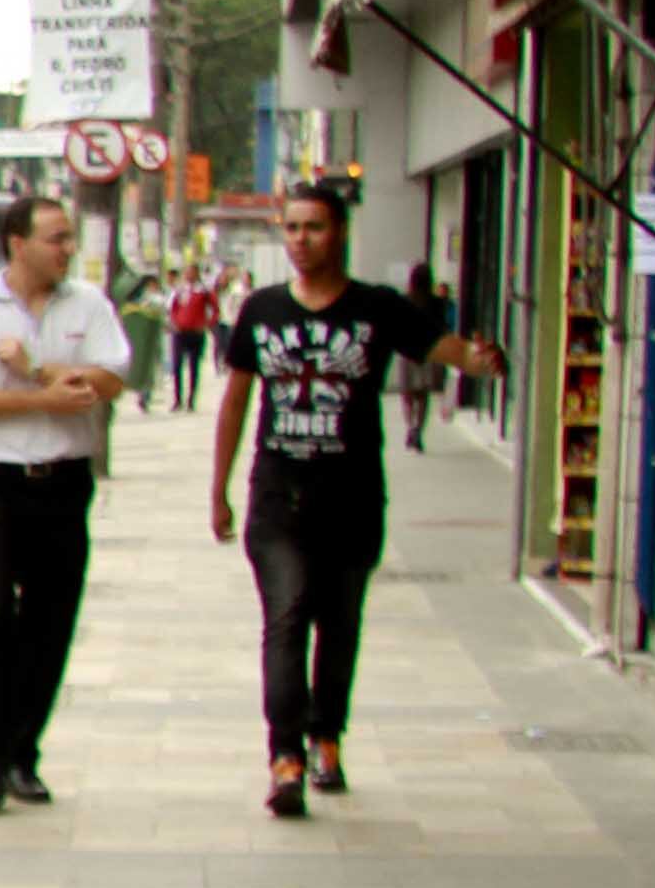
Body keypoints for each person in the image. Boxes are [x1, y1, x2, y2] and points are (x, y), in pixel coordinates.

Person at [211, 186, 508, 820]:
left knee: (338, 626)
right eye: (290, 228)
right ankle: (284, 758)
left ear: (340, 232)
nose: (300, 240)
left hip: (351, 499)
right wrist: (219, 491)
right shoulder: (261, 310)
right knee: (286, 619)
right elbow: (236, 401)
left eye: (314, 227)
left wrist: (481, 362)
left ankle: (326, 738)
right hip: (278, 498)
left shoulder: (376, 309)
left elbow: (444, 349)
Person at [0, 193, 132, 816]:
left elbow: (110, 379)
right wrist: (48, 396)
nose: (67, 249)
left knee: (50, 620)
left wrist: (39, 370)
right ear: (18, 244)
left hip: (63, 482)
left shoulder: (88, 305)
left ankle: (24, 754)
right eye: (55, 238)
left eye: (70, 238)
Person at [397, 259, 457, 451]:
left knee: (407, 395)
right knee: (423, 396)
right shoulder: (438, 303)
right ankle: (418, 430)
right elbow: (444, 328)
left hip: (406, 351)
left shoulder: (404, 300)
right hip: (429, 353)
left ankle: (409, 426)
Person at [164, 267, 215, 414]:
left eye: (191, 273)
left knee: (194, 367)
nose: (189, 275)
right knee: (177, 366)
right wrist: (174, 323)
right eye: (187, 273)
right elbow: (172, 309)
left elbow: (215, 309)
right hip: (180, 332)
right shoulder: (180, 291)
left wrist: (206, 324)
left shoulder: (203, 291)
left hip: (196, 333)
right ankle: (177, 399)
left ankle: (191, 400)